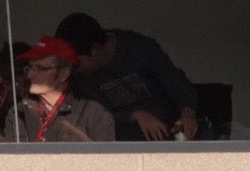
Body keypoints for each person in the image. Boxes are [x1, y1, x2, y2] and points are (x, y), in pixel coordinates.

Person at [53, 13, 198, 142]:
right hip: (118, 145)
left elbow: (176, 83)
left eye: (77, 63)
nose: (73, 70)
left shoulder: (139, 49)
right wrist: (134, 115)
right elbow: (91, 115)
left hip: (168, 135)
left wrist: (188, 113)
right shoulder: (80, 78)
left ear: (95, 49)